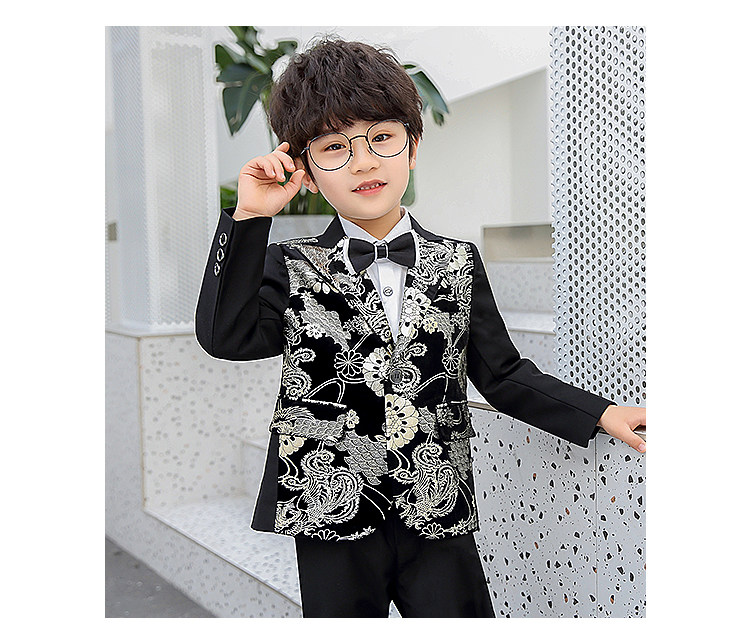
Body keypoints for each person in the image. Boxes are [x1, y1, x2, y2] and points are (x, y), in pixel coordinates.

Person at [195, 37, 646, 618]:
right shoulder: (291, 264)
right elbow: (224, 337)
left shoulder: (458, 261)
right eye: (334, 148)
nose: (363, 162)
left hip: (437, 507)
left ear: (412, 147)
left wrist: (600, 412)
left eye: (381, 138)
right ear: (304, 170)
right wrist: (250, 217)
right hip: (328, 511)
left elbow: (502, 374)